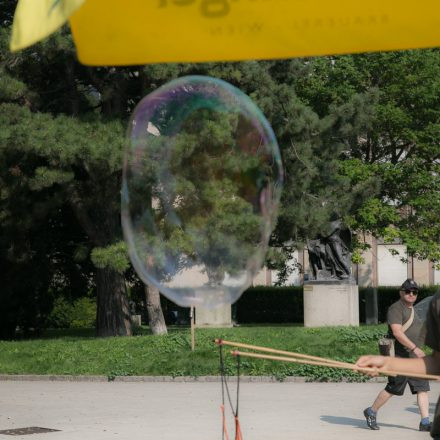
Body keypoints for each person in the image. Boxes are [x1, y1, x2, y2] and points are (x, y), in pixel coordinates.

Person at [356, 290, 440, 438]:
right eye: (408, 291)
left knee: (422, 389)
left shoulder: (417, 309)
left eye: (414, 292)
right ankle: (372, 410)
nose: (411, 294)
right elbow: (397, 333)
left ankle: (425, 421)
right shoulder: (397, 308)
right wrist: (387, 363)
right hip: (404, 357)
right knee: (393, 389)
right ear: (401, 293)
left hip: (415, 357)